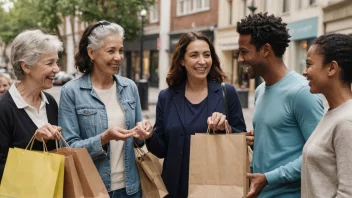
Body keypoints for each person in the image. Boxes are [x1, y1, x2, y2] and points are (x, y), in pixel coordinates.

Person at [134, 31, 247, 198]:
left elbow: (243, 140)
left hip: (215, 187)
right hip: (174, 189)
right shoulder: (167, 96)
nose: (202, 61)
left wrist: (225, 127)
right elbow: (161, 150)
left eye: (206, 55)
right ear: (181, 60)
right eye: (194, 55)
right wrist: (150, 135)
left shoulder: (226, 92)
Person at [236, 13, 324, 198]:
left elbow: (317, 156)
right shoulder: (260, 91)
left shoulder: (302, 92)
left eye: (244, 52)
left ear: (266, 50)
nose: (240, 59)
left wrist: (268, 178)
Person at [58, 21, 148, 198]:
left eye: (120, 51)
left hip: (131, 188)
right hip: (92, 188)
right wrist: (105, 138)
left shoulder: (129, 87)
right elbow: (68, 147)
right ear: (91, 52)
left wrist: (143, 133)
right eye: (111, 51)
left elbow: (138, 141)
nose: (118, 57)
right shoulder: (71, 92)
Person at [0, 30, 62, 181]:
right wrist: (34, 141)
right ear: (26, 66)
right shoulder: (4, 109)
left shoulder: (50, 102)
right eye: (49, 63)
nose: (57, 69)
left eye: (56, 62)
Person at [301, 33, 352, 197]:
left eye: (309, 65)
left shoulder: (346, 121)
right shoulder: (333, 113)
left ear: (331, 68)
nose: (304, 72)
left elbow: (347, 193)